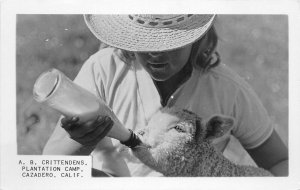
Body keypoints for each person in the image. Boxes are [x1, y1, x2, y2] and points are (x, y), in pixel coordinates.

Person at [43, 14, 288, 177]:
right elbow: (50, 166)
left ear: (197, 37)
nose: (157, 53)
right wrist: (81, 141)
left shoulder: (226, 89)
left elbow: (280, 163)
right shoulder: (103, 71)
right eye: (145, 40)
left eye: (172, 40)